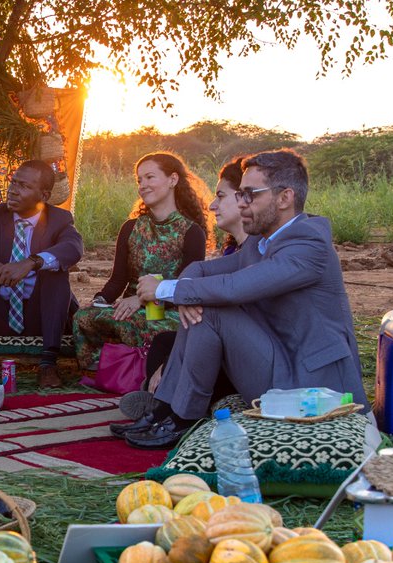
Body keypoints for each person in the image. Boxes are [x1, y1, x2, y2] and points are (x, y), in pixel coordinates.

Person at [122, 149, 367, 449]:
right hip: (278, 360)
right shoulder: (260, 243)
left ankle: (184, 419)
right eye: (240, 194)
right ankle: (168, 410)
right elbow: (202, 269)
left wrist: (167, 290)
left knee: (210, 310)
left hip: (313, 383)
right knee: (200, 307)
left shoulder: (308, 244)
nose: (241, 203)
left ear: (284, 198)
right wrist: (186, 290)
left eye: (250, 195)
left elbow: (235, 287)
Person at [113, 157, 248, 430]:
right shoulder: (236, 250)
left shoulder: (280, 247)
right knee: (165, 342)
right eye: (140, 180)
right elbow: (202, 277)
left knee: (197, 324)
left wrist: (164, 291)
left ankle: (175, 411)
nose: (212, 204)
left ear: (249, 199)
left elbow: (231, 290)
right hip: (226, 341)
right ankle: (162, 401)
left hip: (246, 353)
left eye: (221, 196)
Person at [0, 159, 84, 389]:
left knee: (55, 272)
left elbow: (73, 248)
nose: (13, 190)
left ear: (45, 195)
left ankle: (48, 364)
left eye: (25, 186)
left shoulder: (59, 220)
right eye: (13, 182)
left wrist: (31, 263)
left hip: (38, 316)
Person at [72, 152, 212, 371]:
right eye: (139, 180)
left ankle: (139, 372)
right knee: (83, 316)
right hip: (128, 306)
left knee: (134, 323)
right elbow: (118, 280)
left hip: (168, 309)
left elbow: (187, 286)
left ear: (173, 180)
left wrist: (142, 301)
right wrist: (99, 300)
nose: (143, 185)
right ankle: (103, 371)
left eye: (150, 177)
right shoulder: (131, 228)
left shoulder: (192, 232)